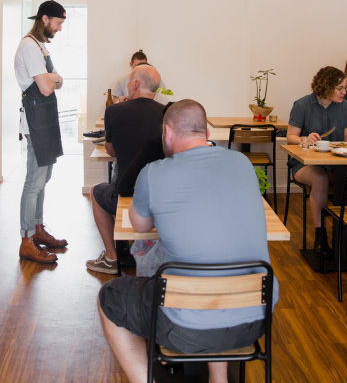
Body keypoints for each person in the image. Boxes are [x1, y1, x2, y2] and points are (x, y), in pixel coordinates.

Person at [98, 100, 278, 383]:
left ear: (167, 133)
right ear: (206, 133)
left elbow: (139, 225)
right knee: (216, 266)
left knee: (109, 297)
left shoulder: (154, 173)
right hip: (255, 320)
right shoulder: (242, 163)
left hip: (186, 327)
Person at [86, 64, 163, 275]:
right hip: (160, 195)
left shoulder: (114, 111)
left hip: (129, 194)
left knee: (96, 191)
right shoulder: (166, 113)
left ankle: (112, 257)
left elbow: (111, 151)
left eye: (130, 80)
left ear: (135, 84)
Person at [286, 66, 347, 257]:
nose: (344, 92)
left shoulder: (344, 106)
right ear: (327, 86)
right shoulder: (302, 105)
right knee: (320, 178)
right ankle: (321, 234)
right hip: (305, 164)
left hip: (336, 163)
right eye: (340, 89)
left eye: (345, 88)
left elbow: (346, 138)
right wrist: (305, 139)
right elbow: (290, 137)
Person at [14, 0, 68, 264]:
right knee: (33, 181)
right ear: (45, 19)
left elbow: (59, 80)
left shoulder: (40, 46)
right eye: (58, 23)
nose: (59, 29)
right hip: (36, 123)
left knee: (43, 179)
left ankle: (37, 228)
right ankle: (27, 240)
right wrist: (53, 79)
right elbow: (47, 87)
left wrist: (53, 78)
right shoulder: (28, 46)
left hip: (47, 119)